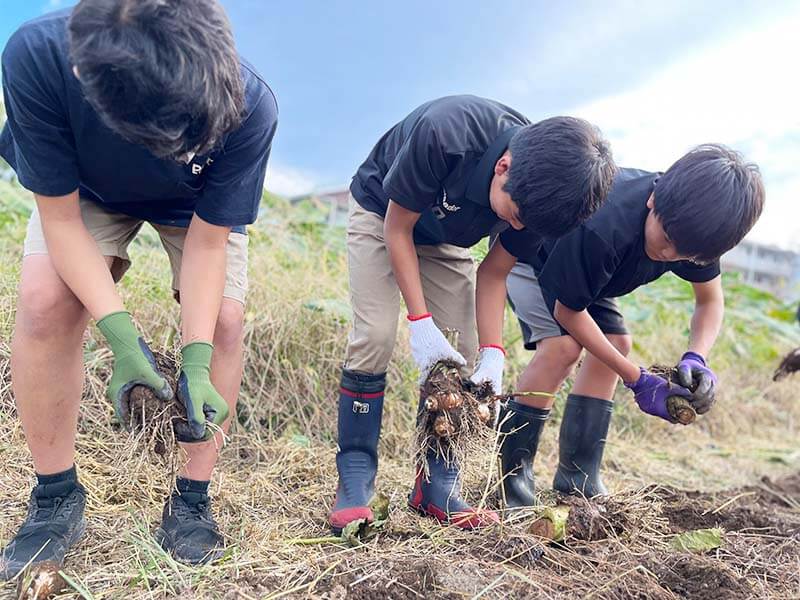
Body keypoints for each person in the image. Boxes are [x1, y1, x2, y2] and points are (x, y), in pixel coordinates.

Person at [0, 0, 277, 577]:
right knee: (45, 301)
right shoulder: (39, 57)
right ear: (86, 80)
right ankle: (55, 496)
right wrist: (123, 339)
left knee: (223, 319)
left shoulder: (249, 103)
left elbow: (207, 244)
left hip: (193, 207)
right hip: (85, 191)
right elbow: (60, 219)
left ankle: (192, 499)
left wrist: (195, 359)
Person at [330, 94, 616, 533]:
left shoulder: (541, 198)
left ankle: (436, 486)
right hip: (382, 211)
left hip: (448, 239)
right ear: (503, 167)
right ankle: (354, 477)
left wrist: (493, 352)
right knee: (376, 334)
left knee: (459, 355)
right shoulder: (447, 133)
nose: (518, 229)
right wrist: (420, 323)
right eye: (516, 216)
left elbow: (495, 271)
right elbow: (397, 228)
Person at [497, 145, 764, 507]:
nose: (671, 256)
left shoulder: (696, 234)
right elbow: (567, 312)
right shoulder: (605, 224)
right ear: (653, 200)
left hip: (591, 279)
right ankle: (510, 484)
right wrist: (637, 380)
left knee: (617, 342)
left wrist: (696, 357)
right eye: (667, 241)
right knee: (562, 350)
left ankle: (578, 478)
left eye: (686, 255)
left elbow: (710, 301)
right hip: (534, 259)